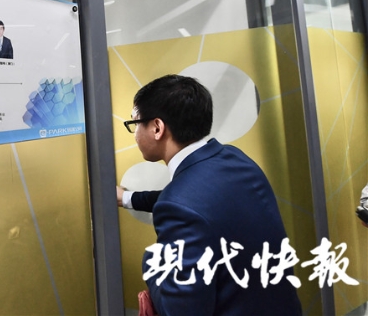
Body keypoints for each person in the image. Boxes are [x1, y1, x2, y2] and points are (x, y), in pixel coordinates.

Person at [116, 74, 302, 316]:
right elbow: (197, 201)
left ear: (157, 128)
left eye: (135, 123)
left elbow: (179, 311)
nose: (135, 133)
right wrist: (127, 198)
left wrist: (152, 261)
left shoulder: (180, 205)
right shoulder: (235, 159)